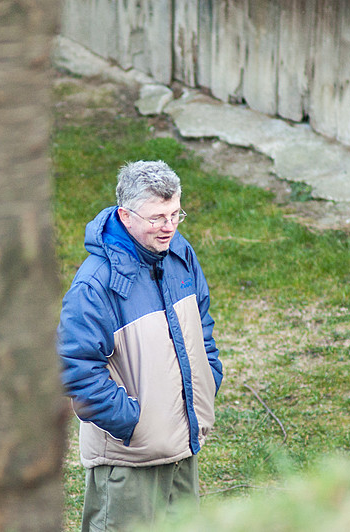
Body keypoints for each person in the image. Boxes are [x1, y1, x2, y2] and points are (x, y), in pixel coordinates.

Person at [58, 160, 223, 531]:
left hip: (183, 446)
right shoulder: (94, 285)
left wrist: (207, 380)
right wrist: (133, 423)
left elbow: (202, 324)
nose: (169, 227)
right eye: (157, 218)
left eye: (175, 214)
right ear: (125, 216)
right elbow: (75, 369)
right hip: (128, 460)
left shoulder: (180, 254)